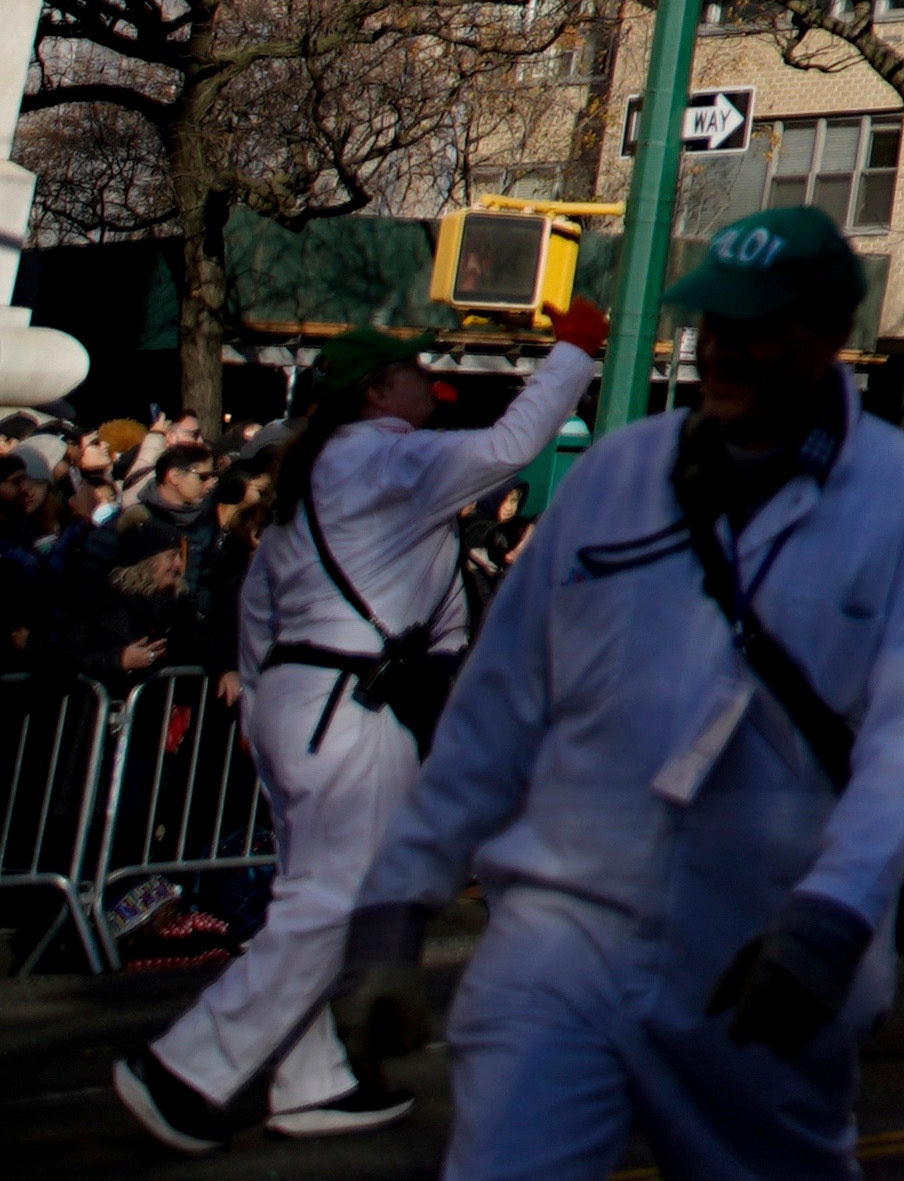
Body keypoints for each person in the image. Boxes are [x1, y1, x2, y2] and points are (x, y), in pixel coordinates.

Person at [327, 206, 904, 1181]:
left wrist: (831, 918)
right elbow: (497, 707)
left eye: (751, 328)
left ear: (828, 338)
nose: (718, 350)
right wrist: (395, 911)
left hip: (759, 955)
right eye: (711, 323)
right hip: (558, 938)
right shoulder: (620, 471)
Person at [117, 311, 607, 1150]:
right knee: (335, 901)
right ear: (377, 389)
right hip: (350, 705)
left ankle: (312, 1079)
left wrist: (272, 714)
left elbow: (261, 608)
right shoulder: (385, 457)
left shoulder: (314, 479)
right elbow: (507, 446)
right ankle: (184, 1068)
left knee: (312, 895)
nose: (431, 388)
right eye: (418, 375)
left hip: (308, 703)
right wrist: (573, 352)